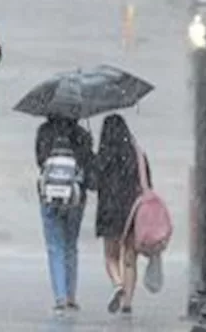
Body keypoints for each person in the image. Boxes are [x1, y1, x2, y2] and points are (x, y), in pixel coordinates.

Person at [34, 116, 96, 314]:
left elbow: (40, 161)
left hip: (50, 196)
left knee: (55, 246)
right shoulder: (82, 134)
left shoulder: (44, 131)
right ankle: (71, 296)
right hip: (75, 198)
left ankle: (60, 297)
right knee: (70, 245)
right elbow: (88, 167)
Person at [96, 114, 152, 315]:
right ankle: (128, 303)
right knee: (130, 257)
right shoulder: (138, 155)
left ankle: (118, 285)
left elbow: (94, 183)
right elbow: (148, 184)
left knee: (111, 255)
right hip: (132, 210)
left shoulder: (102, 156)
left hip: (108, 210)